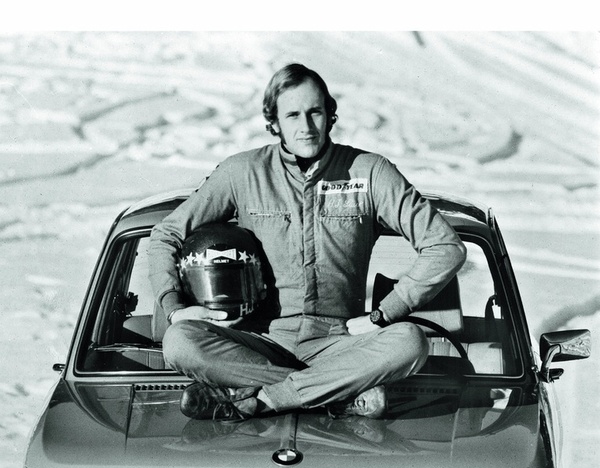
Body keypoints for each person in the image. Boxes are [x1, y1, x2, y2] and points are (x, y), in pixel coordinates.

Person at [148, 63, 467, 421]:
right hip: (262, 344)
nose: (306, 126)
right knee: (179, 341)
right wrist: (174, 308)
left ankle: (262, 400)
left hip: (342, 344)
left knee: (410, 341)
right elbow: (166, 235)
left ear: (330, 114)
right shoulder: (242, 172)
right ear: (274, 122)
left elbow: (445, 247)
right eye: (292, 115)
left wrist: (385, 313)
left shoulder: (370, 171)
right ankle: (337, 395)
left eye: (315, 112)